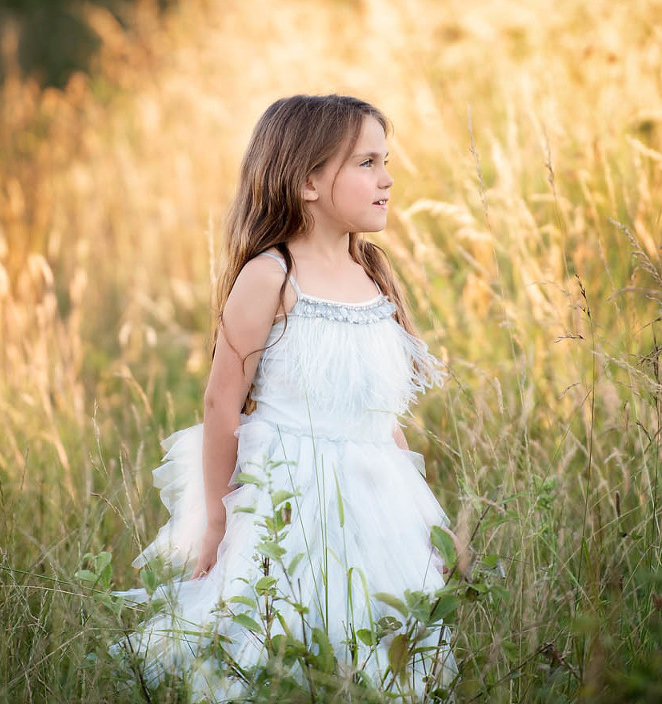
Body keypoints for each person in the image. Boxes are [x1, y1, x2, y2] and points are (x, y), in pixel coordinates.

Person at [111, 95, 457, 701]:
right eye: (367, 163)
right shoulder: (271, 275)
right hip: (287, 497)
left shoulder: (373, 272)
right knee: (277, 642)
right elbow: (222, 404)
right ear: (307, 182)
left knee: (379, 647)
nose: (387, 178)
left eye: (385, 161)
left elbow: (382, 414)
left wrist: (421, 515)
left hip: (377, 495)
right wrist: (219, 519)